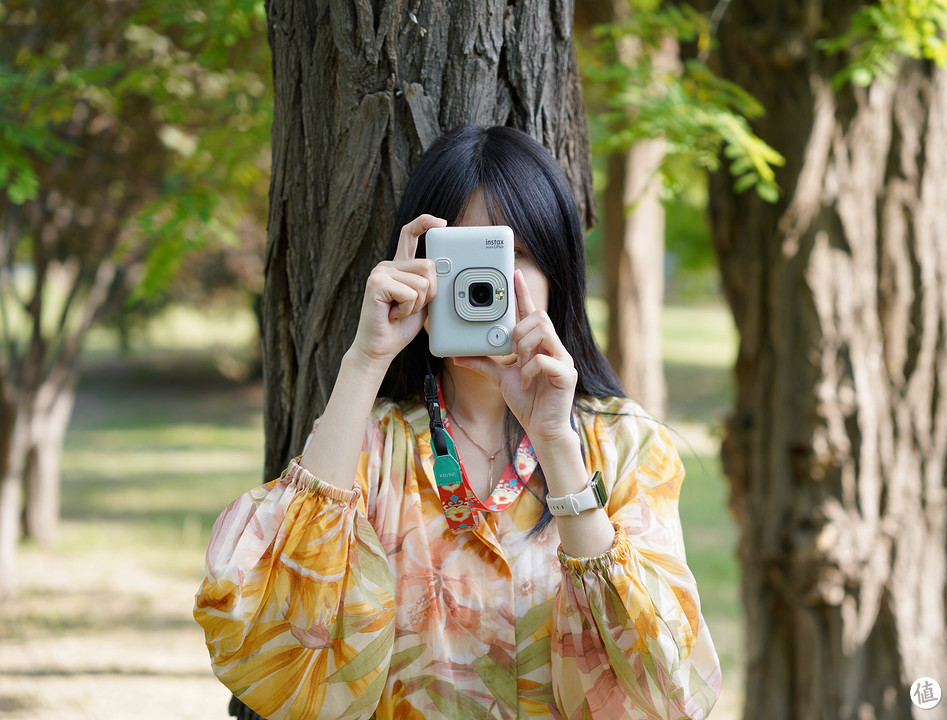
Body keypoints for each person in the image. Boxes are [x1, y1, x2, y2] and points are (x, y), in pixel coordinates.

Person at [194, 125, 723, 719]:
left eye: (512, 254)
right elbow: (265, 639)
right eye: (460, 258)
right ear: (420, 270)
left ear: (557, 272)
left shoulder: (627, 445)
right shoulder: (368, 449)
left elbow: (666, 688)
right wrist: (366, 359)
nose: (484, 281)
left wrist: (557, 445)